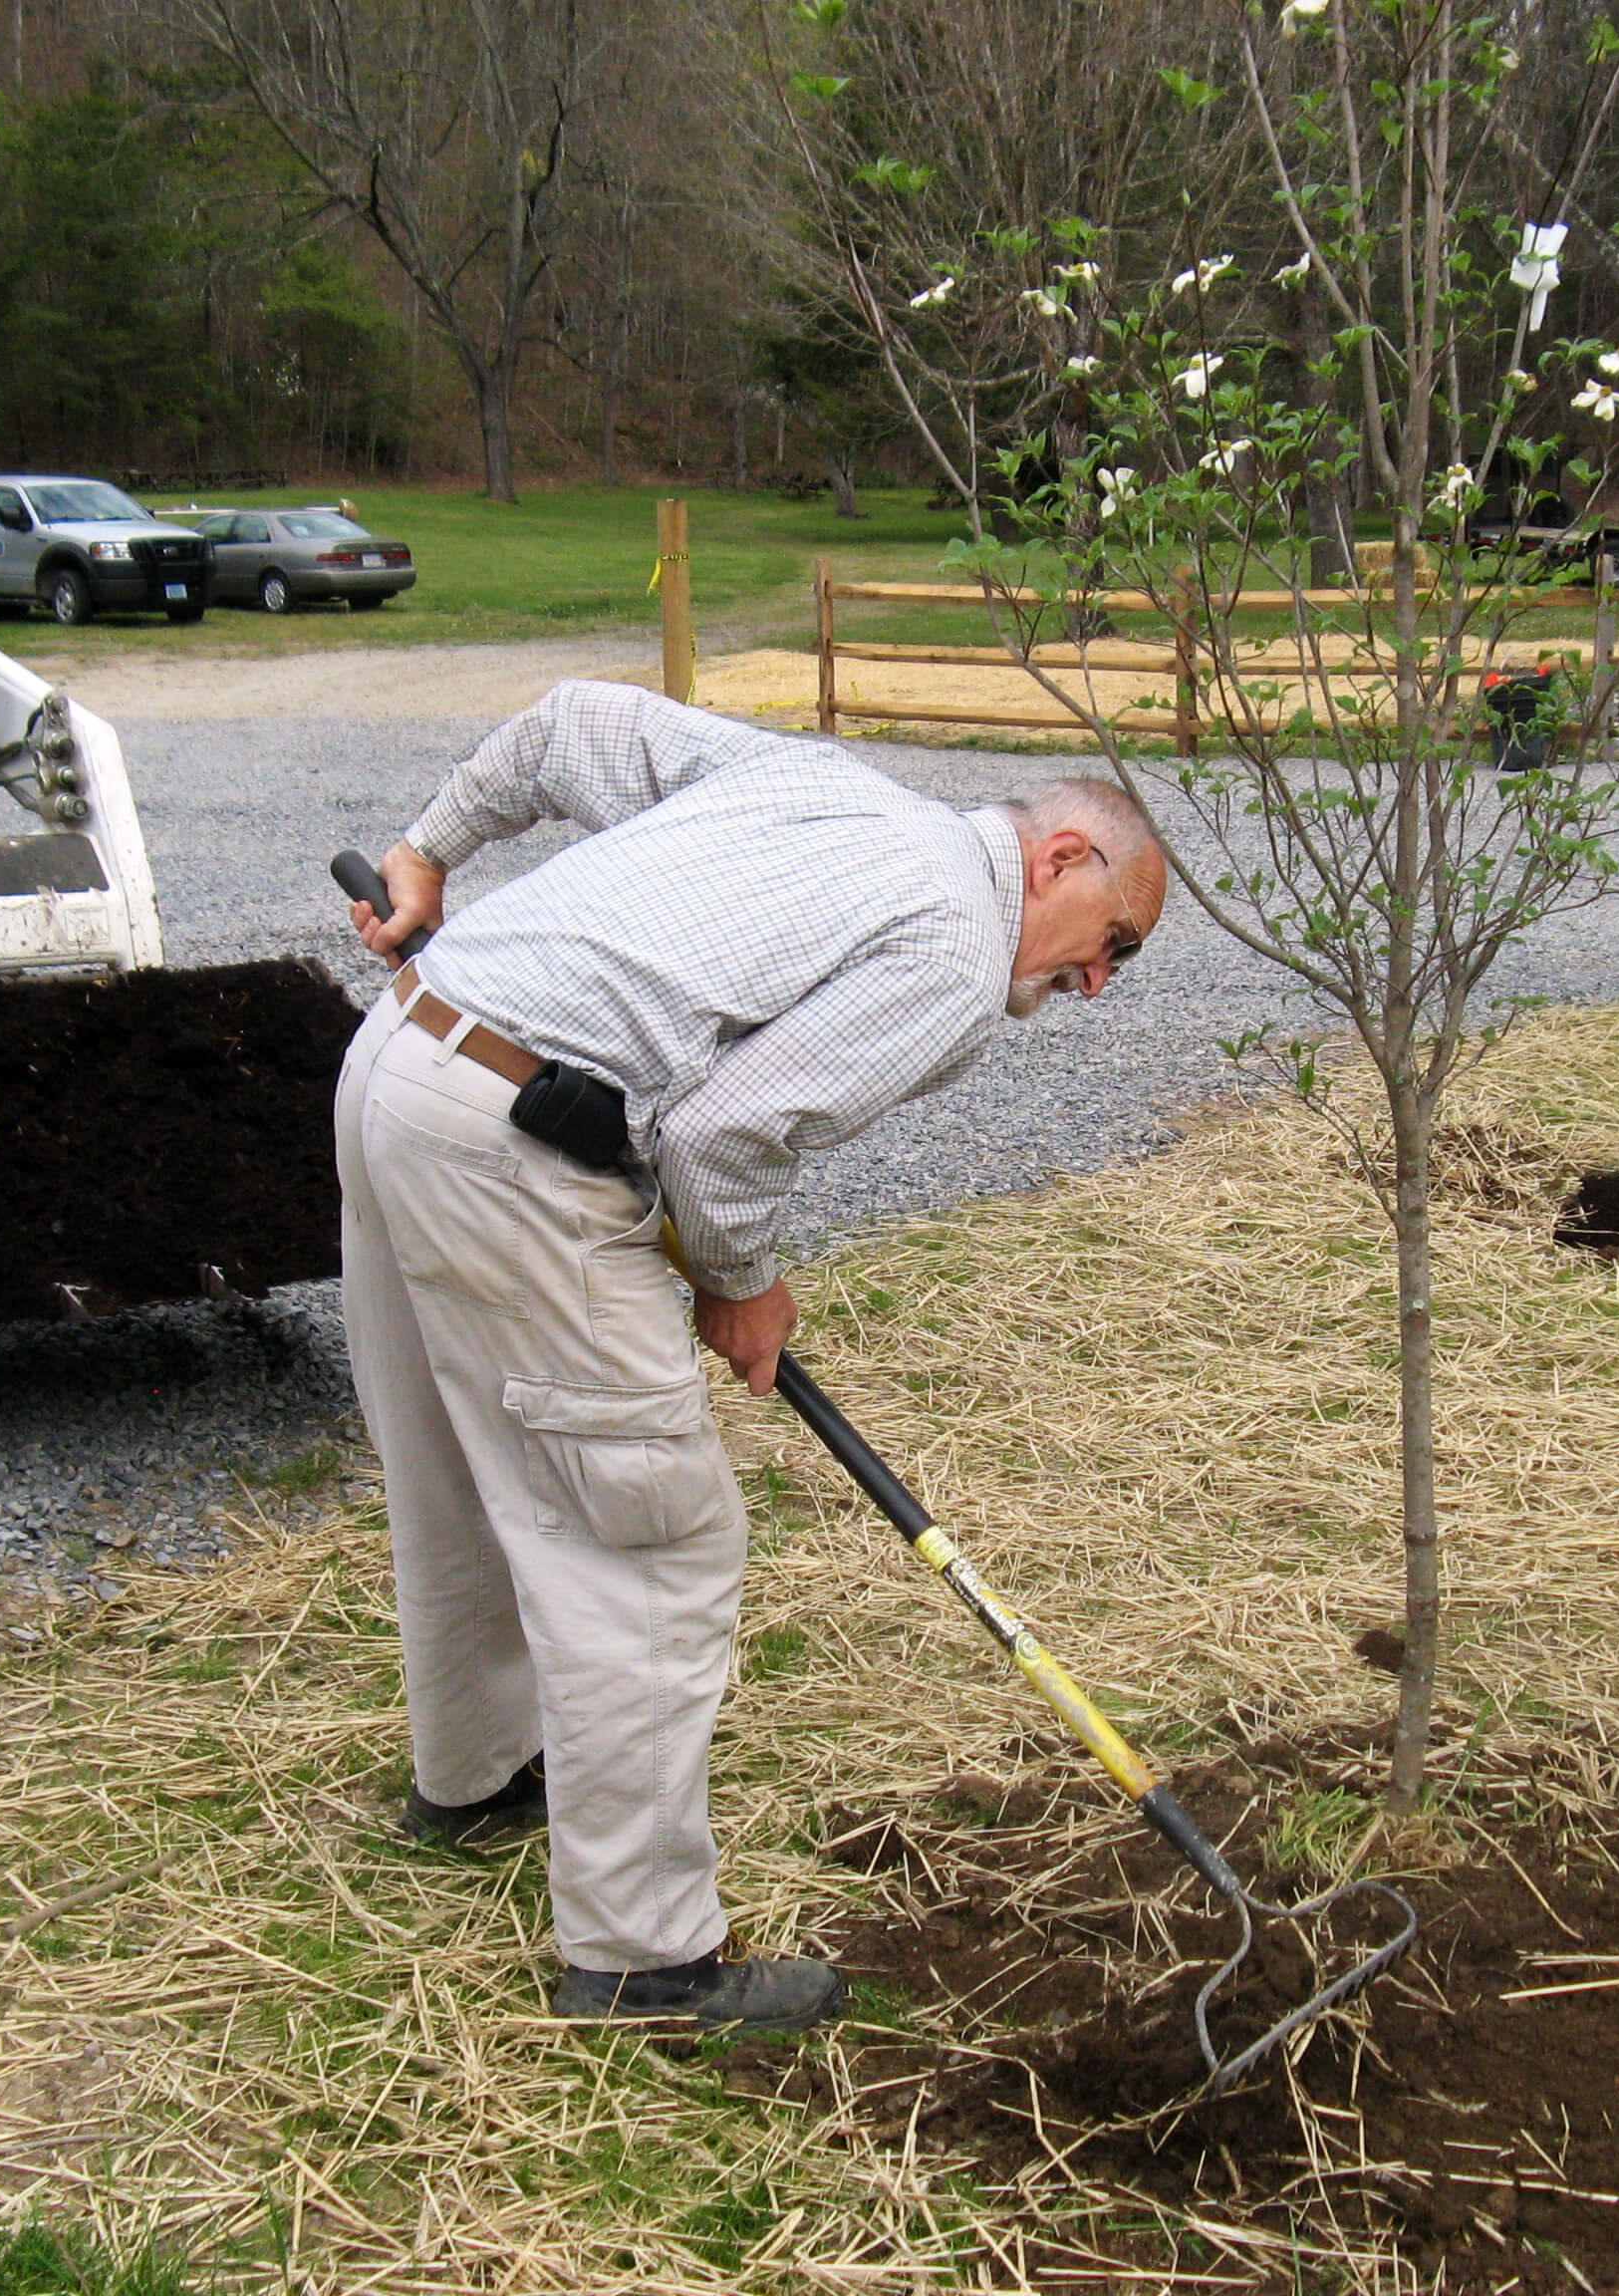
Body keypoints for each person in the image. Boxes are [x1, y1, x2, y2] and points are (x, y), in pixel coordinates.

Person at [339, 681, 1167, 2034]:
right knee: (652, 1545)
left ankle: (475, 1776)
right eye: (1111, 943)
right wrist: (742, 1286)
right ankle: (641, 1956)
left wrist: (431, 847)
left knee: (457, 1461)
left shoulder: (824, 784)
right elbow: (723, 1138)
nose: (1092, 983)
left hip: (400, 1060)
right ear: (1061, 857)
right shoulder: (960, 947)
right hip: (502, 1145)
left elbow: (568, 730)